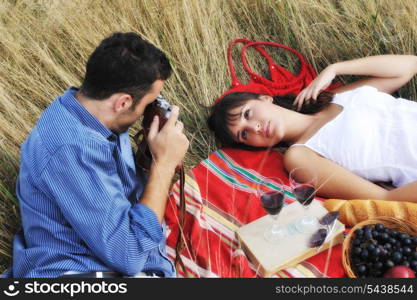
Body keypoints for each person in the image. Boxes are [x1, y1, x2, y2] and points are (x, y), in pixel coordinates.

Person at [10, 32, 189, 278]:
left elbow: (120, 191)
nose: (149, 109)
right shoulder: (73, 148)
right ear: (123, 102)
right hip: (77, 272)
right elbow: (130, 254)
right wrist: (164, 165)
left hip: (106, 258)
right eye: (149, 102)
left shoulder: (93, 114)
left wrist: (149, 157)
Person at [208, 54, 417, 203]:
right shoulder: (299, 155)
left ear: (265, 98)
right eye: (244, 134)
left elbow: (409, 66)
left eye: (247, 114)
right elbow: (384, 198)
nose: (255, 127)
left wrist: (334, 69)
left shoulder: (337, 96)